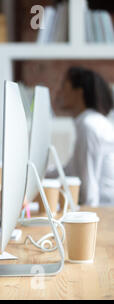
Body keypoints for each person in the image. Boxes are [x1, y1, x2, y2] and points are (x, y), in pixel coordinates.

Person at [52, 66, 114, 206]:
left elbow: (90, 190)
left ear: (79, 92)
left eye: (64, 86)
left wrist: (84, 223)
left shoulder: (89, 126)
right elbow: (69, 170)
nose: (58, 91)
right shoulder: (90, 122)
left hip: (106, 212)